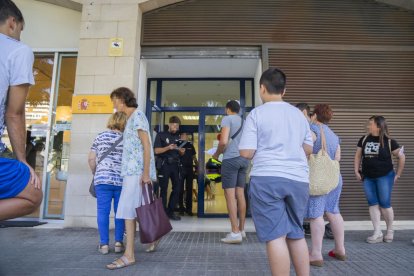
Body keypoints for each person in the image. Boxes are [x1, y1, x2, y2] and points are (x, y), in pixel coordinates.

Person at [239, 68, 313, 276]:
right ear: (284, 90)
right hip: (298, 179)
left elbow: (246, 152)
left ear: (262, 88)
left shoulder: (256, 114)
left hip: (267, 178)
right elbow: (308, 148)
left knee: (275, 236)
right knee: (296, 233)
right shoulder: (299, 115)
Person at [106, 87, 158, 270]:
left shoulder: (138, 116)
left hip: (136, 173)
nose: (113, 104)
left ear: (121, 99)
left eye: (114, 100)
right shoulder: (129, 119)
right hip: (130, 172)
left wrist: (145, 173)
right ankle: (153, 237)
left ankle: (129, 255)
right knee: (135, 210)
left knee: (129, 211)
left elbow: (146, 146)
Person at [0, 0, 42, 221]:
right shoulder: (18, 50)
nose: (20, 37)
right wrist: (22, 161)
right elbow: (14, 113)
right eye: (21, 31)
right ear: (12, 23)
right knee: (33, 194)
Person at [304, 104, 346, 267]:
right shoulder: (334, 135)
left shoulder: (313, 129)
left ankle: (315, 254)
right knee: (333, 211)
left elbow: (307, 148)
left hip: (319, 177)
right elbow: (338, 157)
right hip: (334, 176)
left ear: (314, 115)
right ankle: (340, 249)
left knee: (316, 215)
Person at [354, 115, 405, 244]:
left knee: (385, 204)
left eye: (370, 123)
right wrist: (356, 170)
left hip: (384, 176)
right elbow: (358, 156)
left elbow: (402, 157)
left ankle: (389, 231)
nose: (368, 126)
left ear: (378, 126)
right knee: (372, 203)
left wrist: (397, 174)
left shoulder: (389, 141)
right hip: (368, 177)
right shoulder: (364, 139)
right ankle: (377, 232)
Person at [88, 112, 126, 255]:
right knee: (119, 212)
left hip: (102, 180)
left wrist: (96, 172)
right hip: (120, 181)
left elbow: (91, 159)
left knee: (102, 212)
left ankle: (104, 244)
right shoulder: (127, 139)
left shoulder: (100, 136)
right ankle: (118, 243)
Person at [213, 100, 249, 244]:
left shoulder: (227, 119)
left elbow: (223, 141)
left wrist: (216, 154)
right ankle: (241, 229)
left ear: (227, 109)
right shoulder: (244, 121)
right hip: (244, 159)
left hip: (231, 159)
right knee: (240, 193)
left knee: (229, 195)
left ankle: (234, 233)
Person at [154, 116, 185, 220]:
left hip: (176, 166)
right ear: (169, 124)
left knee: (177, 188)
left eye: (177, 126)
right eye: (174, 125)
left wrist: (180, 150)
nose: (175, 128)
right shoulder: (161, 135)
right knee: (163, 189)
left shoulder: (178, 137)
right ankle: (162, 213)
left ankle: (170, 211)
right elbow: (156, 151)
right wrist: (168, 147)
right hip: (164, 165)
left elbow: (181, 152)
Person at [178, 132, 198, 216]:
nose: (184, 137)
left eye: (186, 136)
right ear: (180, 136)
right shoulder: (177, 145)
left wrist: (197, 166)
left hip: (190, 169)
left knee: (189, 189)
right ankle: (181, 209)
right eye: (183, 136)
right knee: (180, 190)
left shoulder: (190, 145)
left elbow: (194, 157)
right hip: (181, 169)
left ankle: (189, 209)